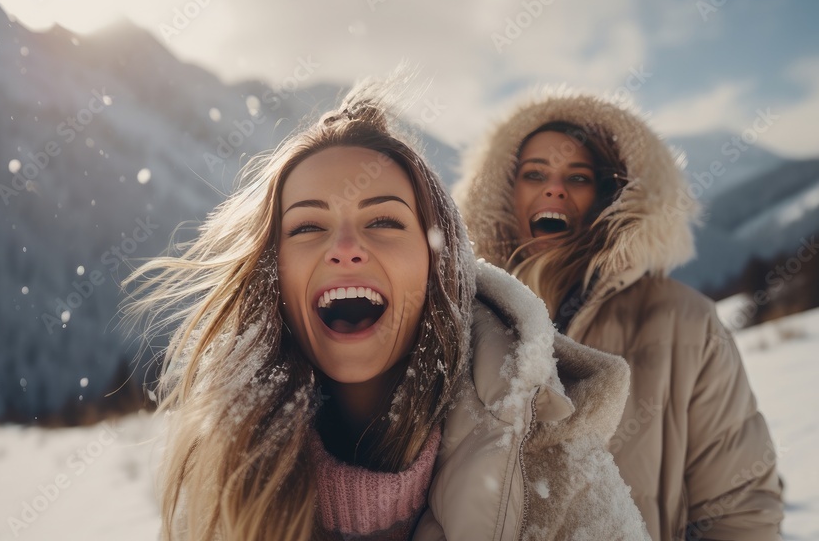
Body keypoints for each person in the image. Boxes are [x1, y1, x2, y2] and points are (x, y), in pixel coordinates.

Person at [125, 80, 648, 540]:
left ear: (436, 266)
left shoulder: (556, 477)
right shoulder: (223, 483)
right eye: (307, 227)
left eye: (385, 222)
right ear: (274, 276)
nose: (345, 247)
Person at [455, 89, 784, 540]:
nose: (555, 187)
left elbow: (740, 508)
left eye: (579, 176)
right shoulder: (462, 319)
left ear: (609, 195)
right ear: (503, 193)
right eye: (535, 173)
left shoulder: (685, 321)